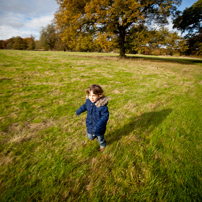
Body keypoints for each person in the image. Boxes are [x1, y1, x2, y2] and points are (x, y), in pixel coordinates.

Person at [76, 84, 109, 151]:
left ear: (99, 95)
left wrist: (98, 126)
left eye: (93, 95)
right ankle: (94, 136)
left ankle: (102, 145)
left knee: (100, 138)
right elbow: (85, 106)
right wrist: (79, 111)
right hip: (90, 124)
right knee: (90, 136)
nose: (91, 98)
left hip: (99, 127)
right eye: (90, 95)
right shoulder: (89, 102)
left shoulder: (102, 106)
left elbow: (104, 117)